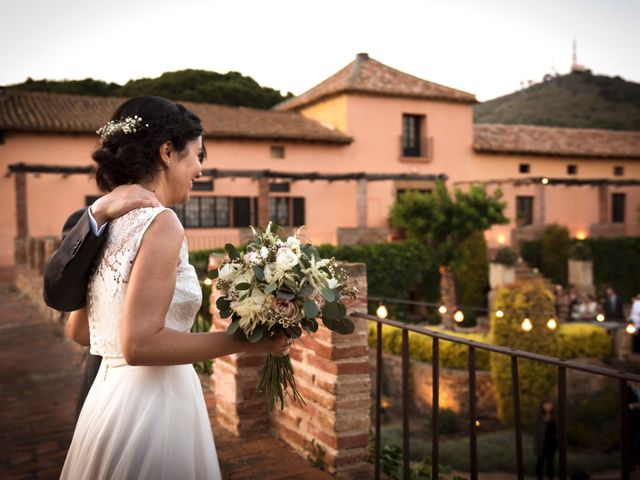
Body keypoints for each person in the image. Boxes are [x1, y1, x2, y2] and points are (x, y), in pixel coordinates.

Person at [60, 96, 288, 479]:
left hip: (108, 399)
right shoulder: (161, 223)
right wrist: (247, 342)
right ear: (168, 152)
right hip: (153, 407)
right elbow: (140, 345)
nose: (200, 169)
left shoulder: (107, 220)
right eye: (198, 156)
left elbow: (80, 331)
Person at [44, 184, 161, 420]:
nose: (200, 170)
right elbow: (73, 322)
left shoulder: (166, 223)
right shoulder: (92, 220)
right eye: (197, 156)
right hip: (109, 387)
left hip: (168, 389)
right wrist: (98, 213)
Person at [533, 399, 557, 480]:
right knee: (540, 462)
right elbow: (536, 430)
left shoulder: (554, 416)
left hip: (551, 443)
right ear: (542, 406)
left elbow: (556, 429)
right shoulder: (539, 416)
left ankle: (550, 477)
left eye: (550, 404)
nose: (548, 406)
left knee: (550, 463)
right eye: (546, 404)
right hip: (542, 443)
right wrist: (545, 419)